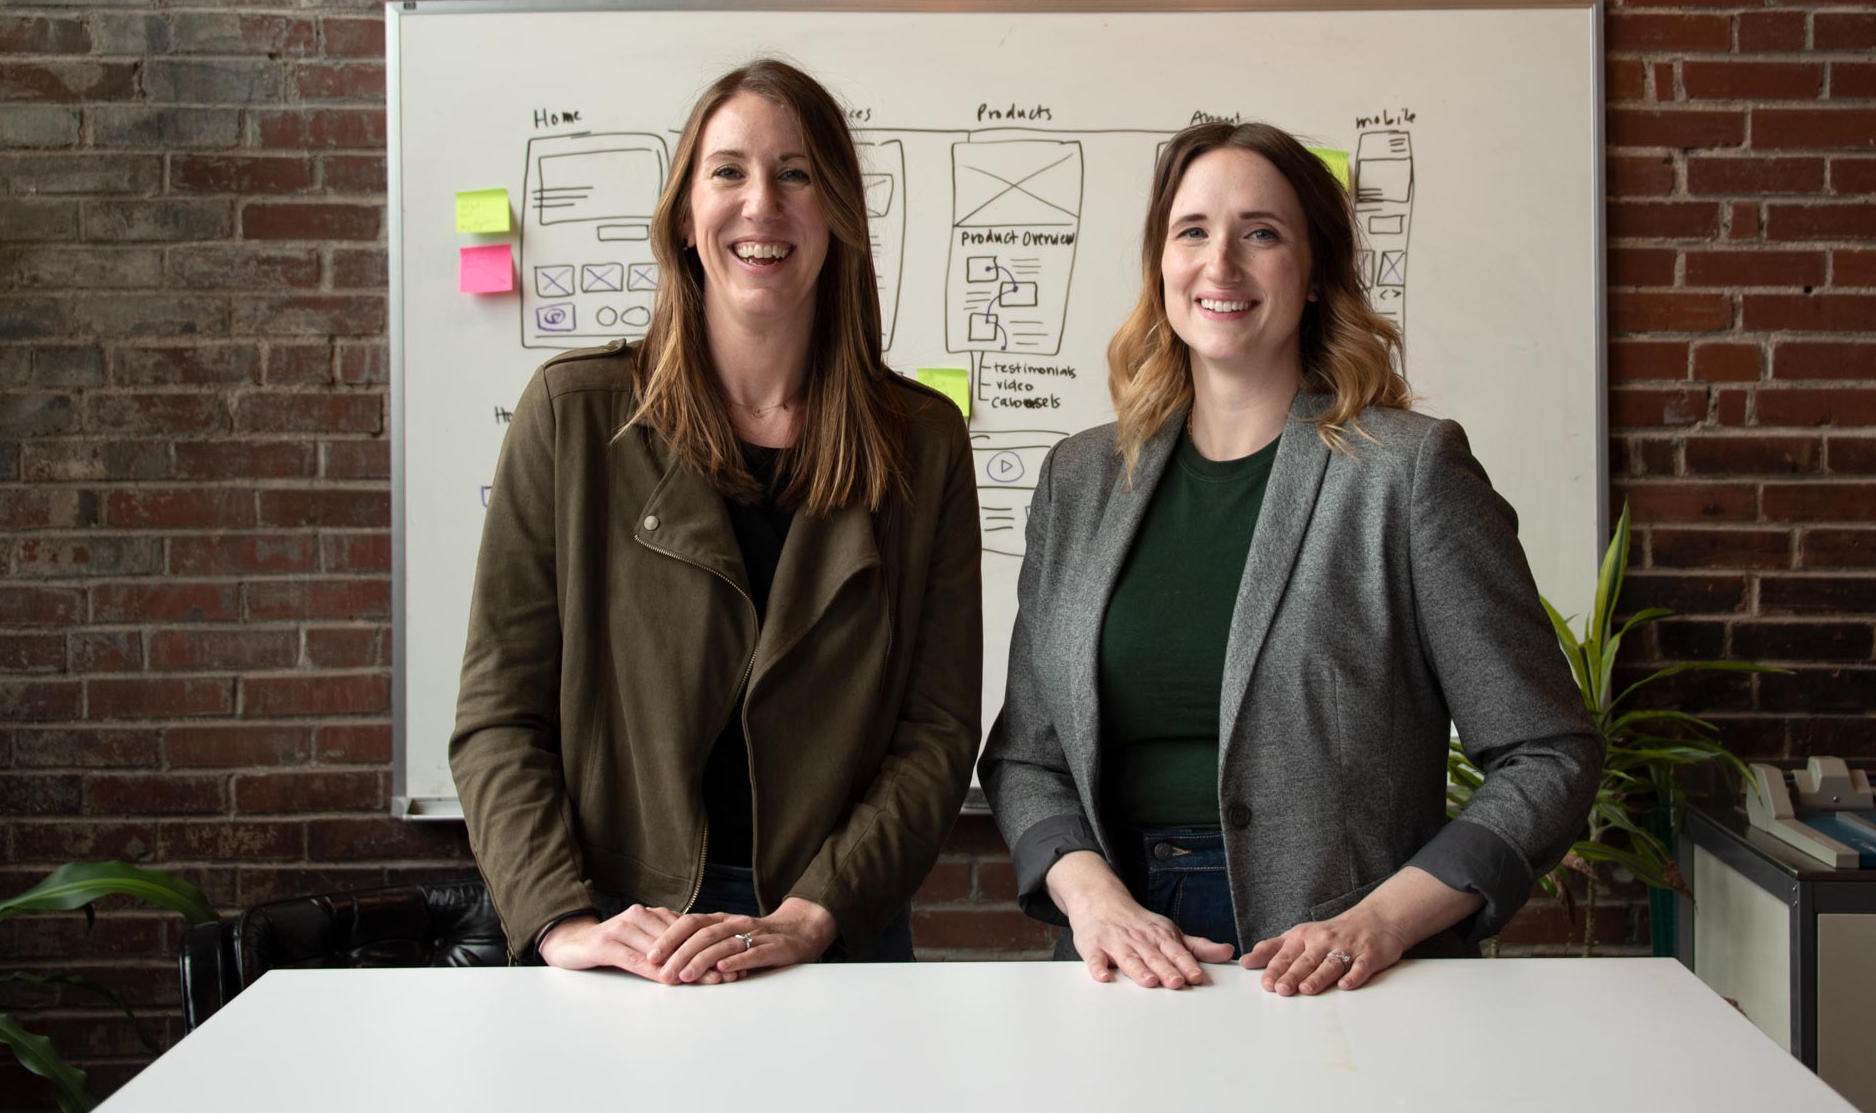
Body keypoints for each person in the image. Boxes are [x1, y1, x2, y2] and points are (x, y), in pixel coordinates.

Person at [980, 121, 1601, 996]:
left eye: (1261, 233)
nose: (1220, 263)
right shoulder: (1080, 479)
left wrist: (1384, 919)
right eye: (1191, 231)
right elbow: (1027, 758)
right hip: (1119, 960)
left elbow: (1548, 751)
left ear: (1314, 275)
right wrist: (1094, 902)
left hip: (1343, 966)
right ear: (1161, 266)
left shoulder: (1408, 472)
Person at [453, 58, 982, 985]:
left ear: (840, 215)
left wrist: (815, 913)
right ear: (685, 213)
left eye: (796, 173)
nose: (760, 206)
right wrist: (560, 918)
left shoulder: (923, 443)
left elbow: (934, 734)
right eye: (728, 171)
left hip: (837, 936)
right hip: (628, 935)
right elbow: (499, 715)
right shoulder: (573, 416)